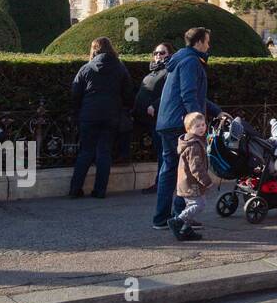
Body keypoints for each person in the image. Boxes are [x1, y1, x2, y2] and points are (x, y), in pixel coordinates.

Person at [153, 27, 223, 230]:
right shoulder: (191, 61)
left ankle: (164, 217)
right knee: (187, 171)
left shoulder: (181, 59)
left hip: (168, 122)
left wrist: (216, 111)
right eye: (207, 42)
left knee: (169, 169)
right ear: (199, 42)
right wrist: (197, 121)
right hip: (180, 123)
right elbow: (189, 94)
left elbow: (193, 94)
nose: (209, 46)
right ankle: (179, 216)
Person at [68, 37, 135, 199]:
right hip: (111, 115)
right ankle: (100, 191)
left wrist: (78, 110)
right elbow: (128, 92)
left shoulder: (86, 68)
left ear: (94, 50)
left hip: (89, 114)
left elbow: (75, 92)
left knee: (86, 151)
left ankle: (75, 189)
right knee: (104, 152)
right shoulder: (120, 68)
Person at [134, 43, 173, 194]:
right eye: (155, 53)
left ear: (169, 55)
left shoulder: (168, 71)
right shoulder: (154, 71)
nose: (158, 55)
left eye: (162, 53)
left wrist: (154, 106)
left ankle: (161, 184)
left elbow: (169, 92)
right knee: (160, 152)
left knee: (163, 153)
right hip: (148, 120)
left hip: (160, 118)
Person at [170, 112, 211, 241]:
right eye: (197, 126)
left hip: (188, 181)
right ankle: (178, 220)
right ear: (189, 129)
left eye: (203, 124)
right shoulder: (193, 145)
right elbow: (196, 167)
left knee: (192, 205)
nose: (202, 128)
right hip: (191, 182)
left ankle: (185, 229)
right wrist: (206, 181)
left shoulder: (194, 141)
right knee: (199, 204)